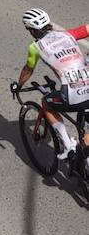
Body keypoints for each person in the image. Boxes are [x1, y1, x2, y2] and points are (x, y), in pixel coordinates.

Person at [12, 10, 89, 165]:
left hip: (72, 94)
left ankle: (68, 146)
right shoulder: (68, 34)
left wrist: (18, 85)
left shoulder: (35, 47)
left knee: (47, 103)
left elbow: (28, 69)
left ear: (32, 30)